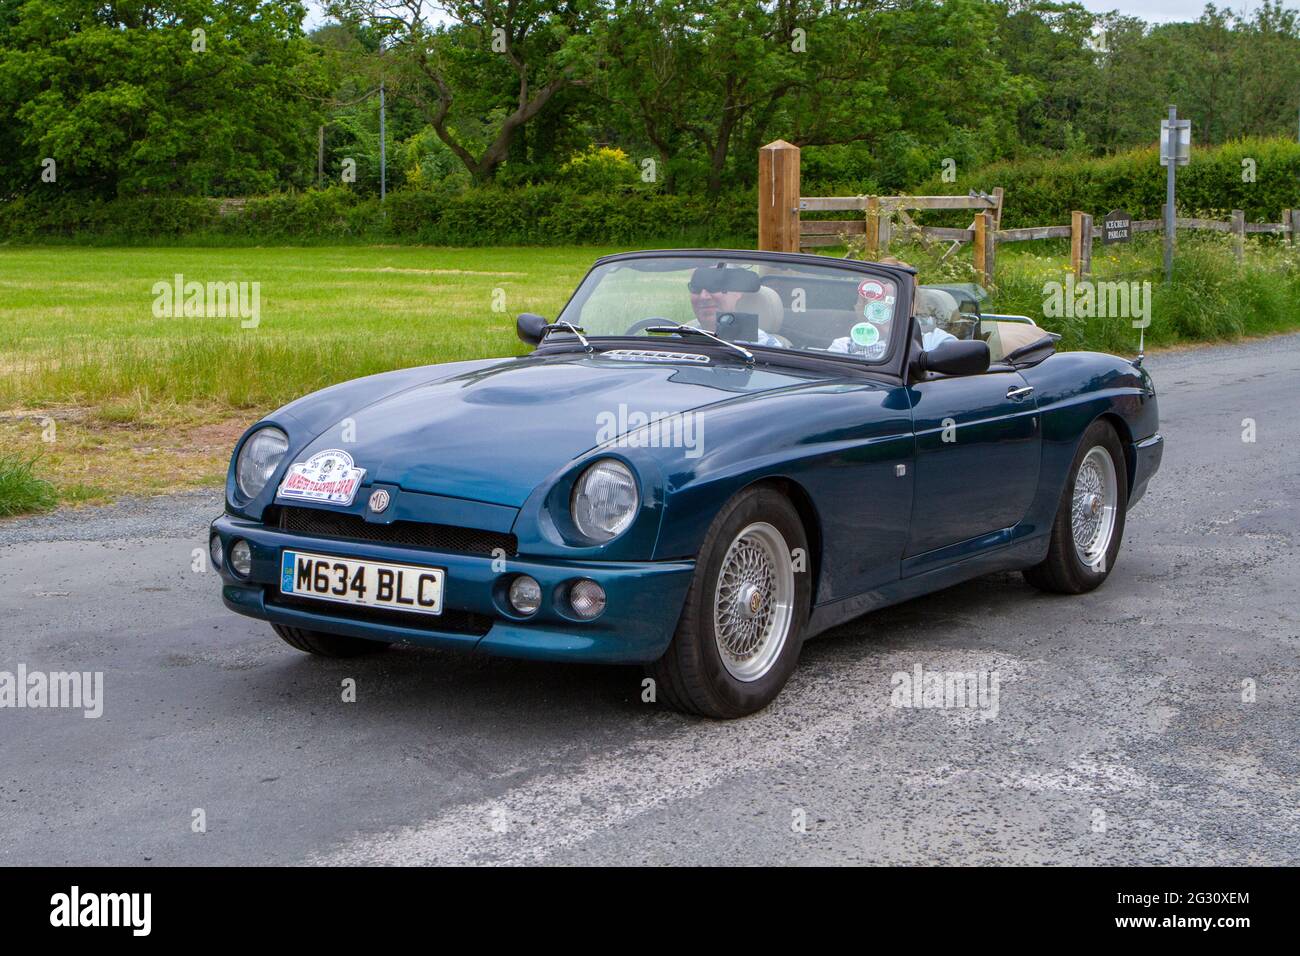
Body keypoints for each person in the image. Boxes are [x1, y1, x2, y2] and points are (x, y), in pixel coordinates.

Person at [687, 267, 784, 347]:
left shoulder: (766, 346)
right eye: (696, 288)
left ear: (738, 293)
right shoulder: (678, 339)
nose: (703, 297)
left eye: (714, 287)